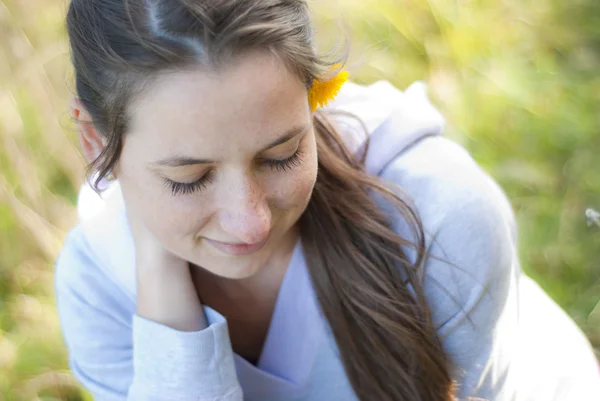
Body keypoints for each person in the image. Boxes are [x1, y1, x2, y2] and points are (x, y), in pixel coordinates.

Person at [55, 1, 600, 400]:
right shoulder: (95, 282)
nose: (251, 220)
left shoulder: (443, 216)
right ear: (95, 141)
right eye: (190, 178)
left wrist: (171, 207)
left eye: (282, 155)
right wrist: (159, 278)